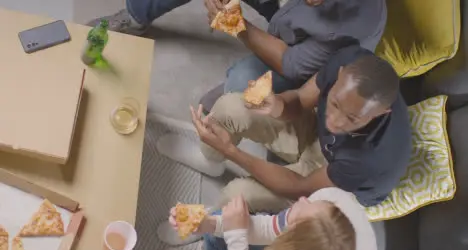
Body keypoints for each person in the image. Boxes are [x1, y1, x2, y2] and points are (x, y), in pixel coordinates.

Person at [159, 45, 412, 214]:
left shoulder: (371, 160)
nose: (335, 121)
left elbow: (300, 186)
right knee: (229, 109)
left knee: (236, 197)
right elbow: (302, 100)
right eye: (334, 103)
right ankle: (211, 161)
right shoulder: (349, 61)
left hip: (337, 181)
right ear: (340, 74)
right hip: (316, 137)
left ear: (381, 114)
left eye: (352, 119)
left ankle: (204, 232)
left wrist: (232, 152)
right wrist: (276, 104)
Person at [87, 0, 387, 111]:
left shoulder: (355, 25)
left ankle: (222, 102)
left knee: (242, 83)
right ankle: (134, 15)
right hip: (284, 11)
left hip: (299, 50)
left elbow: (292, 64)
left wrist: (236, 25)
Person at [157, 188, 378, 250]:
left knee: (236, 232)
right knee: (226, 219)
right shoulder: (332, 201)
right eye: (309, 202)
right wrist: (209, 224)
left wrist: (236, 240)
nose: (301, 199)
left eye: (295, 219)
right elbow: (269, 227)